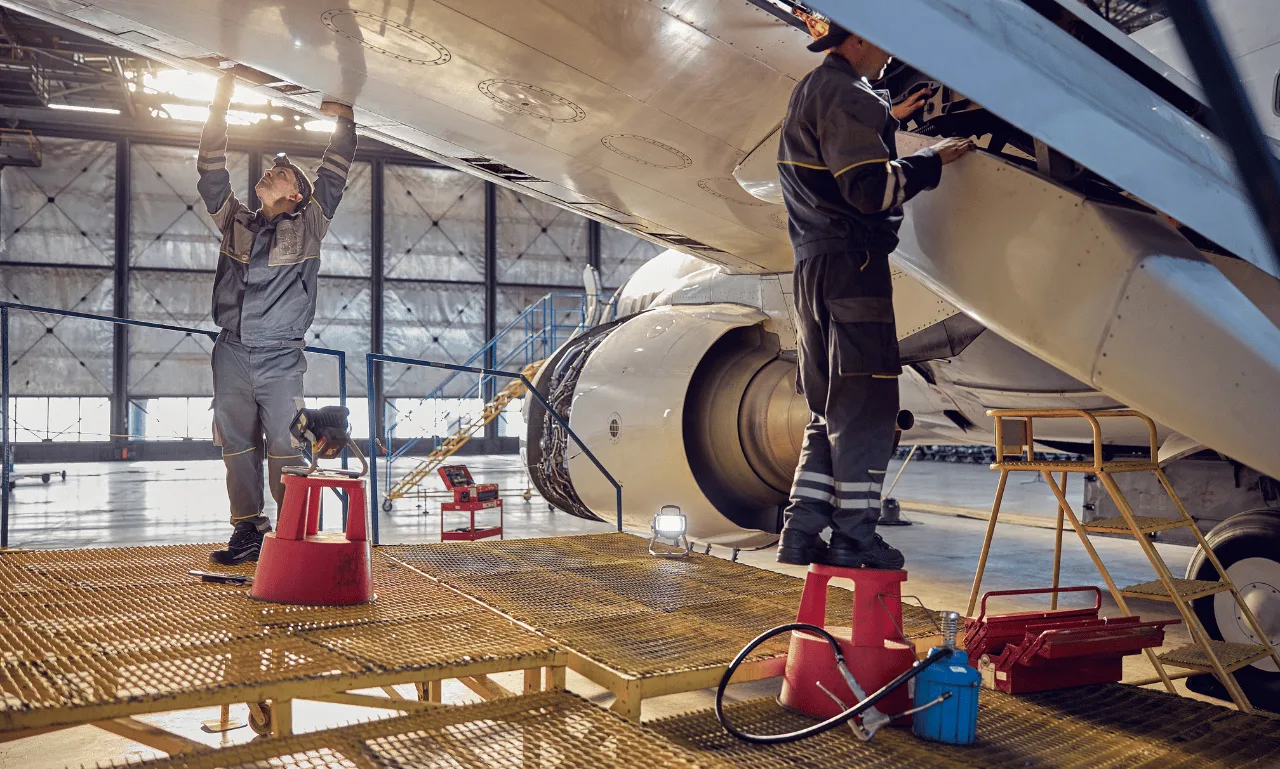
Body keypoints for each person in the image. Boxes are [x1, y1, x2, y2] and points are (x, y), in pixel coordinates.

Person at [776, 18, 973, 569]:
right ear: (858, 38)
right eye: (885, 41)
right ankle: (856, 537)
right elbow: (870, 190)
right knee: (867, 408)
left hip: (812, 269)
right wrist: (932, 159)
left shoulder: (812, 89)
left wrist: (888, 116)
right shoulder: (850, 96)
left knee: (828, 409)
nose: (890, 54)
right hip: (855, 267)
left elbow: (830, 150)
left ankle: (801, 531)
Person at [196, 71, 358, 565]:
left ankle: (293, 537)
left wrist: (344, 121)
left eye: (281, 173)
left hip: (281, 358)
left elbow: (334, 174)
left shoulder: (310, 225)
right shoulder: (235, 221)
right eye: (272, 169)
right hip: (231, 351)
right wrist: (219, 106)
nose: (270, 172)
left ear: (297, 196)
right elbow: (210, 171)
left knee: (287, 449)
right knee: (236, 446)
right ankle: (248, 530)